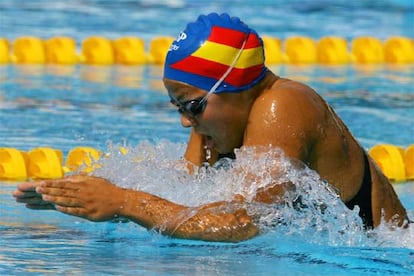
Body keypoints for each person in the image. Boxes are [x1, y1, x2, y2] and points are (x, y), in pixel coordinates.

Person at [13, 13, 409, 242]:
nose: (187, 120)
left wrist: (124, 202)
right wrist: (81, 196)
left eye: (193, 105)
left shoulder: (282, 105)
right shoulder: (218, 119)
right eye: (178, 107)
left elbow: (243, 222)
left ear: (237, 87)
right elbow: (186, 194)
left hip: (383, 257)